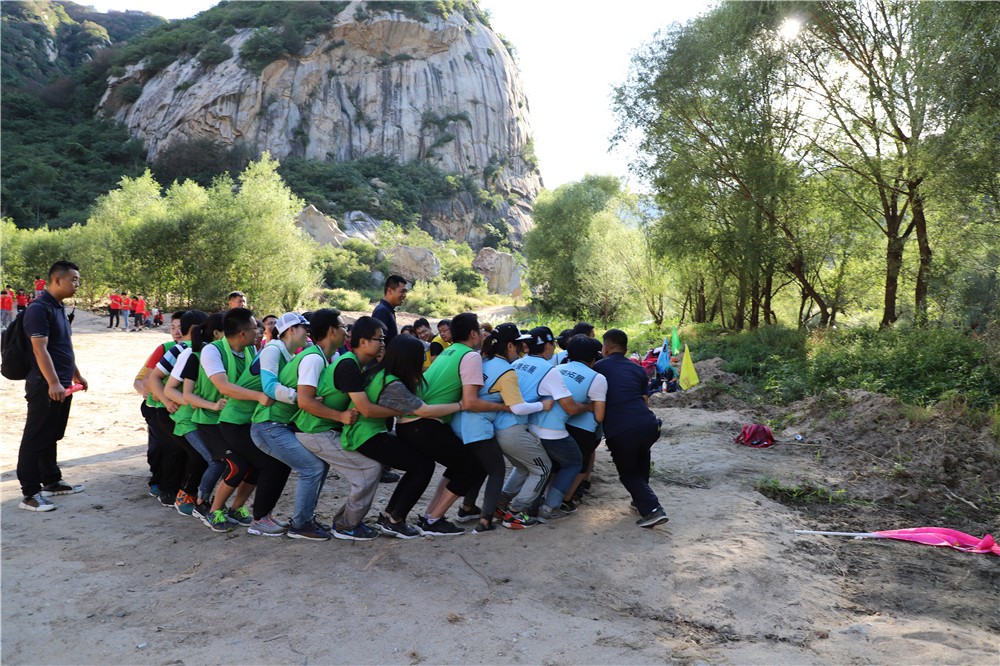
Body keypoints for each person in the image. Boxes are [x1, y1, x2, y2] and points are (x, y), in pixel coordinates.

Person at [339, 327, 461, 538]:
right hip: (366, 436)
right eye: (420, 358)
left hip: (365, 432)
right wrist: (461, 404)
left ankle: (390, 515)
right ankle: (394, 520)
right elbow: (423, 410)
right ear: (409, 360)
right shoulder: (393, 383)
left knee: (419, 463)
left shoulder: (379, 371)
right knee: (423, 466)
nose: (423, 362)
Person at [395, 312, 502, 536]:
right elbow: (470, 401)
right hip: (424, 423)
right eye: (480, 331)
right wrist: (504, 406)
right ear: (474, 334)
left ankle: (430, 516)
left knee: (458, 464)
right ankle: (433, 521)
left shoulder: (448, 351)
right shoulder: (471, 356)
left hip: (413, 423)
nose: (483, 334)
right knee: (471, 466)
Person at [292, 309, 388, 541]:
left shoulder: (345, 360)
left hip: (321, 428)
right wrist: (341, 416)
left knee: (370, 467)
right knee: (369, 469)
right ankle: (346, 525)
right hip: (314, 430)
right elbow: (363, 408)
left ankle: (345, 522)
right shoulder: (343, 363)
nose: (383, 343)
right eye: (379, 339)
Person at [456, 322, 554, 531]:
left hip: (486, 427)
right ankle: (517, 512)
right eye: (519, 345)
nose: (522, 349)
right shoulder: (506, 371)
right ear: (510, 346)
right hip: (508, 430)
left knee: (521, 466)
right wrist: (542, 405)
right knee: (543, 468)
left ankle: (500, 505)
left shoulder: (485, 360)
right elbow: (517, 407)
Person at [250, 313, 335, 541]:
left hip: (280, 424)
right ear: (288, 331)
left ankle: (305, 518)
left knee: (319, 463)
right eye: (301, 327)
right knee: (312, 467)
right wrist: (302, 399)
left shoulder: (291, 354)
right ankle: (300, 524)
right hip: (268, 424)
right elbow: (269, 387)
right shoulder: (274, 348)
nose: (306, 331)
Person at [17, 261, 88, 512]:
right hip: (45, 385)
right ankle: (30, 493)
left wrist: (76, 375)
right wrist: (53, 382)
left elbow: (63, 347)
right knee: (35, 436)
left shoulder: (58, 307)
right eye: (74, 279)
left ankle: (51, 481)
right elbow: (40, 348)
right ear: (57, 280)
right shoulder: (39, 309)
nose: (77, 284)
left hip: (61, 384)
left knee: (51, 434)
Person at [510, 326, 593, 521]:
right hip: (537, 428)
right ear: (547, 345)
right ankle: (541, 509)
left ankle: (503, 502)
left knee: (527, 467)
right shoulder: (549, 370)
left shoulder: (517, 363)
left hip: (517, 424)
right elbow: (570, 407)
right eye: (552, 343)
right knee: (570, 463)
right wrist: (587, 407)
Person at [595, 329, 669, 528]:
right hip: (648, 424)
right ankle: (639, 501)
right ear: (625, 348)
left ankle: (653, 509)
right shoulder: (638, 370)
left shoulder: (599, 367)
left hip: (621, 428)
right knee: (641, 457)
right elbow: (645, 401)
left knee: (628, 472)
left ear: (607, 348)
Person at [371, 274, 408, 346]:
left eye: (405, 292)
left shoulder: (388, 311)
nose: (404, 295)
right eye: (402, 291)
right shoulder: (382, 311)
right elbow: (379, 344)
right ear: (390, 291)